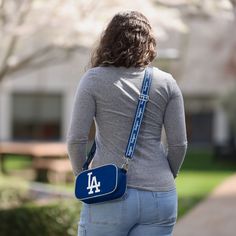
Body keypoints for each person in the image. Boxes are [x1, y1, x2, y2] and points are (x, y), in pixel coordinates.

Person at [66, 10, 188, 236]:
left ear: (109, 40)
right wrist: (165, 174)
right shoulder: (166, 83)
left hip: (107, 192)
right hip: (159, 196)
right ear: (148, 42)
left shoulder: (93, 80)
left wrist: (82, 176)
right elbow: (179, 145)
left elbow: (76, 140)